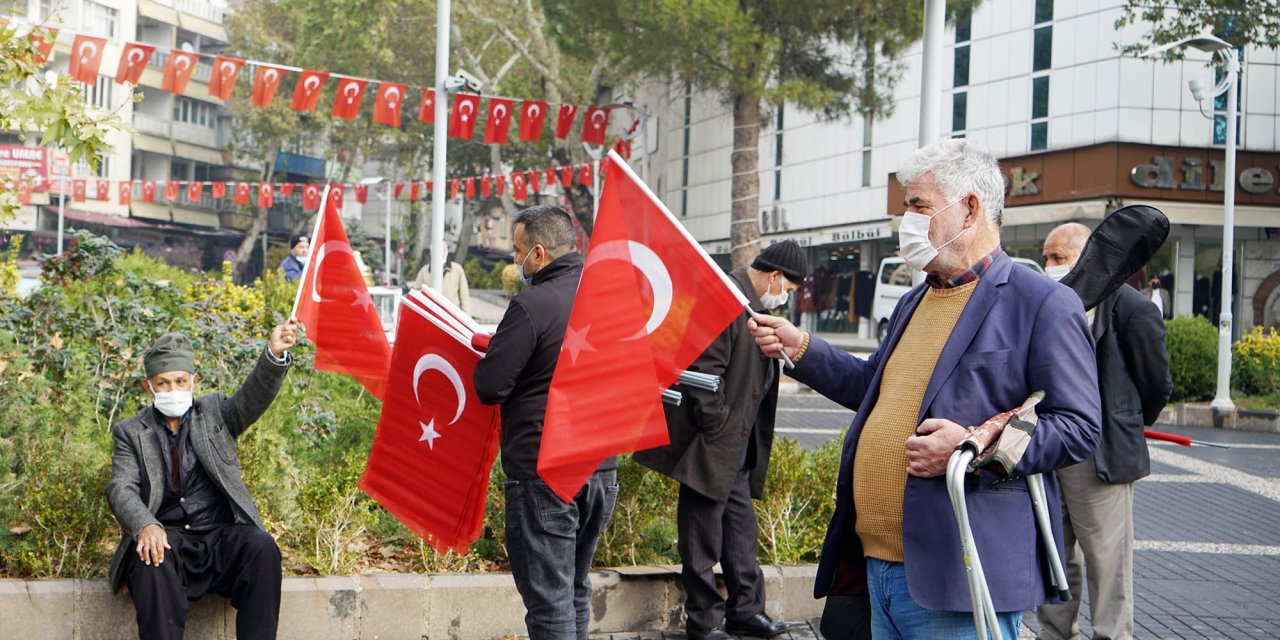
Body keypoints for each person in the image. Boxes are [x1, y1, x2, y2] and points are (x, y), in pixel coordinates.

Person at [749, 139, 1102, 639]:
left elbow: (1078, 426)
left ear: (970, 210)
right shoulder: (914, 301)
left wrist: (971, 449)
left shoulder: (1040, 303)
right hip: (877, 568)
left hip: (959, 574)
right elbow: (874, 387)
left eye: (919, 206)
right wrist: (802, 348)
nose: (906, 221)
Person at [633, 241, 808, 640]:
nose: (785, 298)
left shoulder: (754, 307)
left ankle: (746, 611)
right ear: (775, 276)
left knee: (741, 536)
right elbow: (702, 375)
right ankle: (704, 621)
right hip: (710, 445)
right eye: (788, 289)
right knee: (701, 539)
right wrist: (718, 425)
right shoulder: (726, 298)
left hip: (737, 449)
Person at [473, 205, 618, 640]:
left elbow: (490, 386)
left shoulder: (531, 305)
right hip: (601, 469)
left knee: (550, 601)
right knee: (574, 588)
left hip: (546, 472)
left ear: (538, 253)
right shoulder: (609, 298)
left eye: (518, 252)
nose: (515, 262)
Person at [106, 323, 298, 640]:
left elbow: (253, 398)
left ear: (194, 380)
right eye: (163, 383)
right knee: (151, 560)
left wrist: (273, 355)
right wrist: (145, 524)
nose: (173, 389)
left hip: (219, 536)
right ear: (148, 387)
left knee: (261, 547)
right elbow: (120, 487)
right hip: (167, 540)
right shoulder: (130, 432)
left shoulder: (216, 413)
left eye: (180, 381)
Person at [1036, 223, 1173, 640]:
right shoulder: (1048, 304)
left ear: (1085, 257)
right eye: (1046, 258)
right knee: (1054, 553)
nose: (1049, 266)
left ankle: (1112, 635)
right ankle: (1054, 631)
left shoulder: (1132, 308)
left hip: (1101, 456)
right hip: (1051, 449)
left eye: (1058, 257)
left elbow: (1156, 384)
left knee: (1107, 561)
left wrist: (1122, 420)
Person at [412, 250, 472, 315]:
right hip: (431, 314)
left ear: (446, 251)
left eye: (443, 249)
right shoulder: (424, 271)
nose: (439, 252)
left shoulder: (457, 269)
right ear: (430, 253)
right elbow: (415, 293)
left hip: (452, 315)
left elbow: (464, 296)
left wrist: (467, 316)